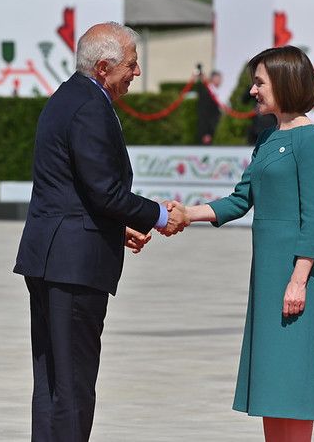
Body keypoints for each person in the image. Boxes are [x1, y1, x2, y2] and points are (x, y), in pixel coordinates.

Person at [13, 22, 190, 442]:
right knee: (73, 386)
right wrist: (159, 216)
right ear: (104, 67)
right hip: (73, 266)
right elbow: (105, 191)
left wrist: (116, 226)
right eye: (131, 64)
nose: (137, 72)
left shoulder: (68, 97)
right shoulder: (90, 107)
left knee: (53, 382)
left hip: (51, 256)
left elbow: (76, 189)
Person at [170, 45, 314, 442]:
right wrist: (187, 213)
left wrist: (298, 280)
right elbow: (240, 199)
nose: (253, 91)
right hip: (267, 276)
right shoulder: (267, 137)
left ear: (285, 82)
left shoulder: (311, 141)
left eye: (259, 83)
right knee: (272, 379)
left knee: (293, 378)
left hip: (292, 275)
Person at [196, 67, 222, 145]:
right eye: (218, 79)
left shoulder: (215, 91)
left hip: (215, 129)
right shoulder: (207, 92)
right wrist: (206, 133)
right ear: (213, 79)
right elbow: (204, 113)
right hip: (208, 131)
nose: (220, 81)